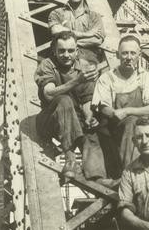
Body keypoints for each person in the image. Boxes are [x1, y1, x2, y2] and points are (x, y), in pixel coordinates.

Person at [91, 33, 149, 178]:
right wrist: (115, 113)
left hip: (141, 128)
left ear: (139, 55)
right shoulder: (107, 78)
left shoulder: (146, 77)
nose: (128, 57)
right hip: (113, 129)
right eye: (124, 53)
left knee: (136, 124)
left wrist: (126, 111)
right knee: (131, 123)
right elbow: (103, 107)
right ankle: (132, 174)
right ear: (117, 55)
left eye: (132, 53)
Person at [34, 32, 100, 180]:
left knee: (92, 130)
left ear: (77, 51)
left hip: (74, 119)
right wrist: (77, 81)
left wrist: (90, 117)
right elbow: (49, 94)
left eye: (70, 50)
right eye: (61, 51)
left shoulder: (84, 66)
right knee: (64, 100)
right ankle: (70, 158)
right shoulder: (47, 65)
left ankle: (97, 177)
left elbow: (86, 100)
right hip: (49, 121)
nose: (66, 55)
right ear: (54, 51)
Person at [48, 0, 107, 128]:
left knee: (86, 69)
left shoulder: (93, 16)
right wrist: (84, 35)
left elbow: (98, 39)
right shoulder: (57, 13)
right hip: (64, 55)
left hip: (87, 55)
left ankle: (87, 114)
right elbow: (55, 31)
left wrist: (70, 37)